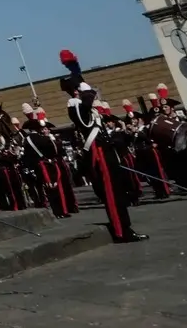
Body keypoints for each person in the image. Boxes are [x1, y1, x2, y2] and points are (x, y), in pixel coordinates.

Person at [60, 49, 146, 243]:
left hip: (106, 152)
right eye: (82, 91)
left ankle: (126, 228)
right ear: (76, 92)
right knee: (111, 194)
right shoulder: (74, 105)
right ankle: (120, 231)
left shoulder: (83, 104)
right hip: (98, 154)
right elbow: (86, 109)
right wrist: (83, 87)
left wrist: (77, 73)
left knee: (118, 192)